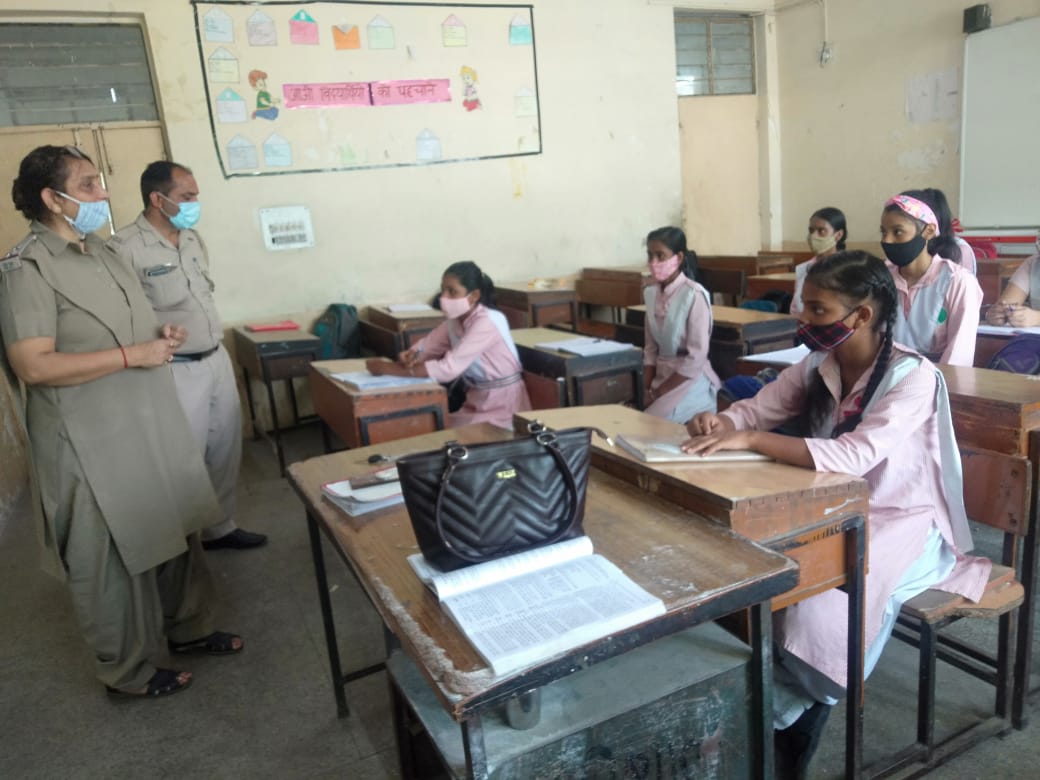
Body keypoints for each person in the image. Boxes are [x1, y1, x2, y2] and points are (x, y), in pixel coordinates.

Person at [681, 251, 990, 777]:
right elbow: (759, 408)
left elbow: (853, 456)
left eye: (818, 310)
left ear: (862, 315)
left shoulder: (913, 376)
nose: (805, 320)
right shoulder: (819, 363)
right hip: (832, 503)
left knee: (817, 607)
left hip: (902, 517)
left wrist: (750, 440)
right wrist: (724, 422)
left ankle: (780, 712)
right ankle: (765, 707)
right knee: (762, 576)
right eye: (804, 306)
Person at [0, 145, 243, 698]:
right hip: (88, 435)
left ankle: (189, 628)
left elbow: (125, 322)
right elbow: (34, 365)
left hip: (146, 416)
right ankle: (126, 670)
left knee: (174, 522)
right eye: (88, 185)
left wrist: (160, 335)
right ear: (51, 199)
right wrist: (133, 356)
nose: (103, 193)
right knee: (106, 555)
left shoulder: (103, 253)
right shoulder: (26, 269)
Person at [109, 161, 266, 551]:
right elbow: (120, 316)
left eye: (196, 195)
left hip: (215, 358)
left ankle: (219, 528)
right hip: (174, 369)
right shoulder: (125, 248)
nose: (195, 203)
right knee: (183, 457)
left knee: (225, 448)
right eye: (187, 196)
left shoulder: (193, 240)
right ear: (157, 199)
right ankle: (182, 544)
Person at [367, 261, 531, 428]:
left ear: (474, 296)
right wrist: (412, 354)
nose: (443, 298)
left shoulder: (488, 321)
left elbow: (448, 369)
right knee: (440, 430)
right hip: (477, 399)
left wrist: (390, 369)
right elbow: (428, 346)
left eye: (452, 292)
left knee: (451, 435)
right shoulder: (454, 322)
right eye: (443, 290)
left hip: (505, 404)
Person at [880, 191, 983, 366]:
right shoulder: (881, 277)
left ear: (928, 231)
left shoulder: (958, 282)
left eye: (898, 232)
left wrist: (928, 380)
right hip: (884, 374)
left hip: (937, 377)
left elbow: (959, 355)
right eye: (883, 232)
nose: (887, 240)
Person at [641, 226, 719, 421]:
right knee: (636, 418)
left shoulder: (694, 295)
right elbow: (650, 350)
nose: (654, 262)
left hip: (689, 380)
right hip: (661, 379)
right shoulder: (650, 294)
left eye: (661, 256)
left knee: (654, 424)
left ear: (679, 258)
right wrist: (645, 389)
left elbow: (696, 357)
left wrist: (658, 394)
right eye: (650, 255)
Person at [789, 206, 846, 316]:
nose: (813, 236)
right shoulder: (803, 269)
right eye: (811, 231)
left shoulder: (847, 269)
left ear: (838, 235)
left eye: (821, 231)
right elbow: (795, 310)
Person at [984, 242, 1040, 327]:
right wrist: (997, 314)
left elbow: (1035, 318)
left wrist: (1037, 318)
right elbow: (1008, 304)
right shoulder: (1033, 263)